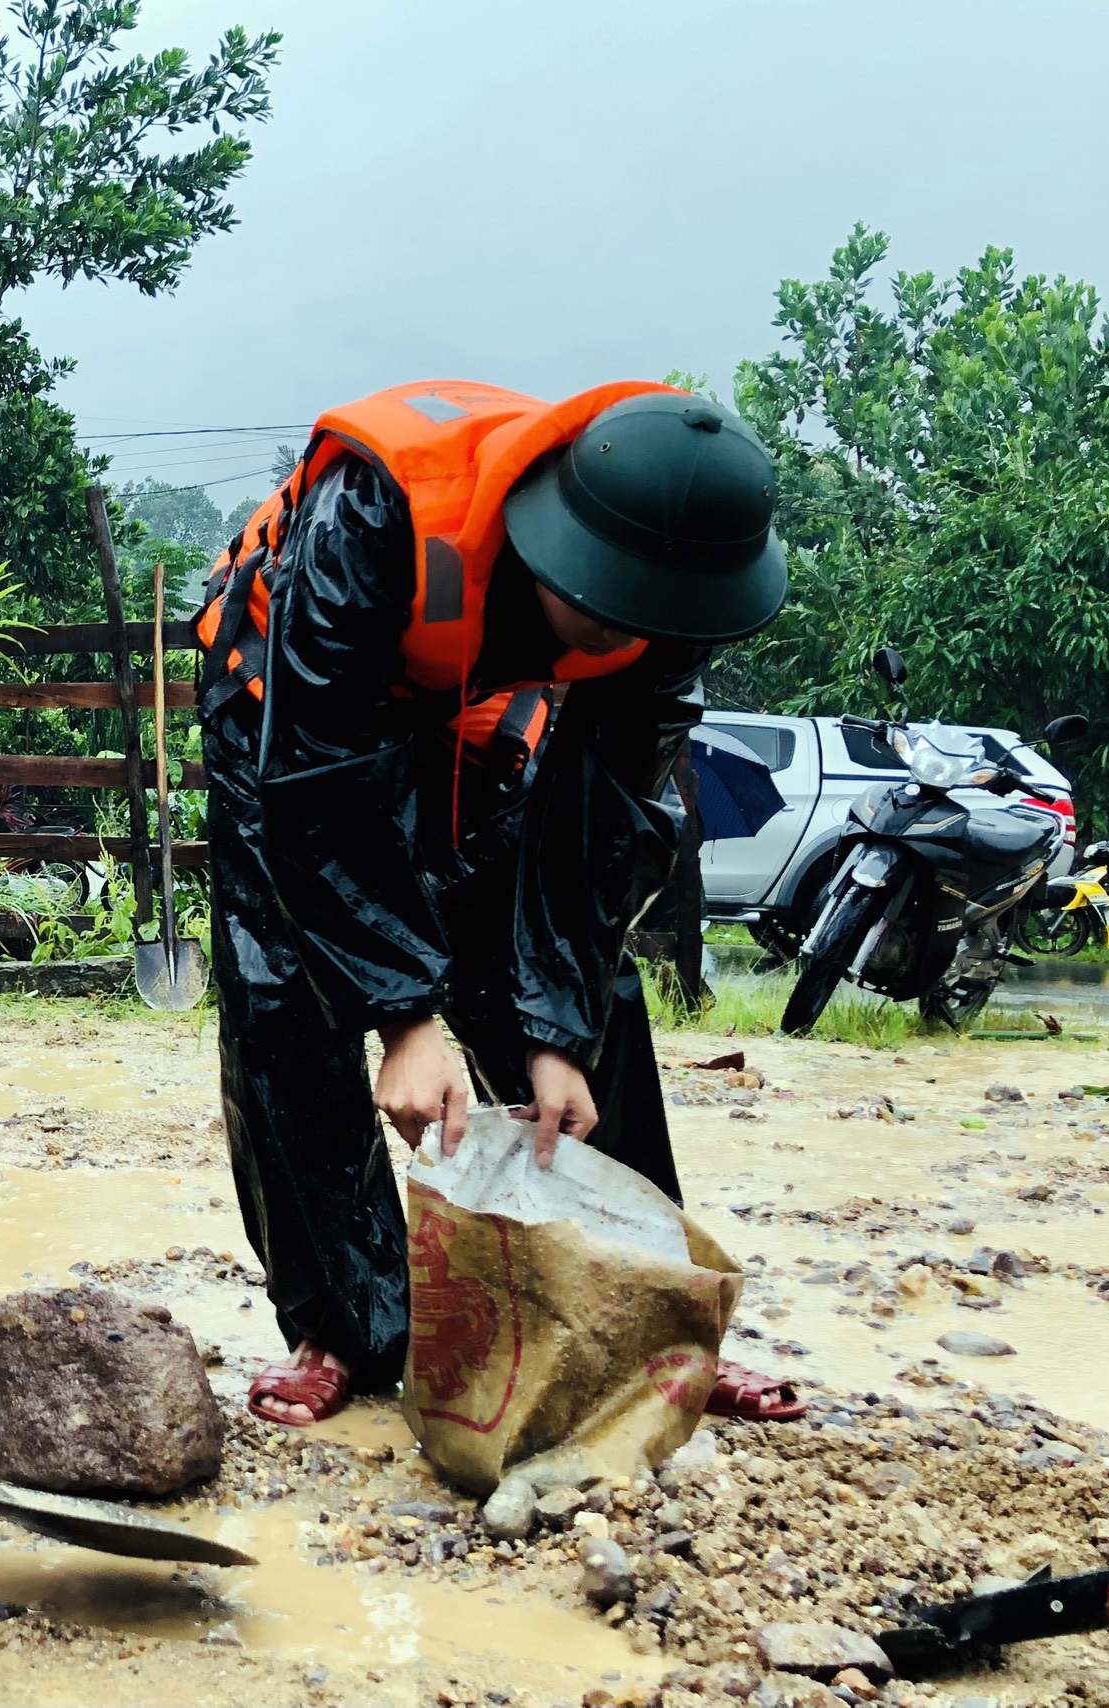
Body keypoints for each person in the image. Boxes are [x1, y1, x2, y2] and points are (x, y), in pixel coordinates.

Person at [190, 379, 802, 1429]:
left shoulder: (676, 587)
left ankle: (653, 1315)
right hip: (285, 709)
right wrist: (404, 1017)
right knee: (281, 988)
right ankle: (346, 1326)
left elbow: (609, 819)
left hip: (474, 706)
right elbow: (320, 776)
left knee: (581, 982)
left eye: (645, 624)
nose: (625, 636)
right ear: (549, 540)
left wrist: (551, 1031)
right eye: (603, 609)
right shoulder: (377, 508)